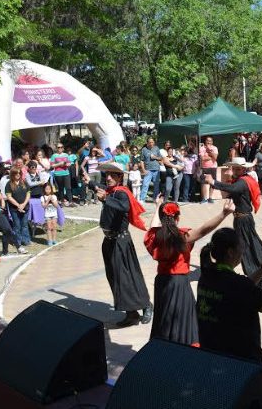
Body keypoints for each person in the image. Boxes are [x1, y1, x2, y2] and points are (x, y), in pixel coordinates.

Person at [145, 197, 234, 345]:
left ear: (161, 218)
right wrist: (223, 214)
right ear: (178, 217)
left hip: (162, 282)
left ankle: (162, 348)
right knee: (182, 319)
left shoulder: (154, 237)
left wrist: (158, 207)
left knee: (164, 318)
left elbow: (153, 226)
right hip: (179, 284)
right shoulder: (181, 237)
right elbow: (204, 229)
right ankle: (183, 349)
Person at [196, 228, 262, 365]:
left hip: (212, 356)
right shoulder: (238, 285)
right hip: (242, 363)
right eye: (241, 247)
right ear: (231, 252)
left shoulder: (206, 277)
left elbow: (241, 289)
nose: (243, 251)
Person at [96, 162, 152, 327]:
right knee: (115, 279)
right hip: (109, 242)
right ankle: (131, 313)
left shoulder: (122, 194)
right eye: (107, 175)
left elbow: (124, 207)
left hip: (121, 242)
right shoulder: (110, 192)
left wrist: (106, 199)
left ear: (120, 177)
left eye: (113, 175)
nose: (108, 178)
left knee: (129, 277)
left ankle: (146, 305)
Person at [203, 157, 262, 289]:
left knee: (246, 249)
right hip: (241, 219)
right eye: (234, 168)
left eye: (238, 168)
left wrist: (213, 182)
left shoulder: (243, 182)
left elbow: (233, 189)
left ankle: (257, 279)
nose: (235, 170)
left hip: (244, 220)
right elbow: (232, 192)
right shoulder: (241, 180)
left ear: (244, 169)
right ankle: (259, 276)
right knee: (249, 247)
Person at [4, 168, 31, 248]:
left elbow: (28, 194)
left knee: (25, 224)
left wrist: (23, 204)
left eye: (19, 173)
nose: (18, 174)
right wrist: (18, 205)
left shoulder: (24, 182)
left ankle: (26, 240)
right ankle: (18, 242)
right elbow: (9, 197)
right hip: (14, 209)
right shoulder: (9, 184)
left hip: (25, 207)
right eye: (16, 173)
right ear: (12, 174)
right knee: (17, 225)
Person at [139, 137, 162, 202]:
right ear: (147, 143)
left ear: (154, 142)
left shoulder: (156, 148)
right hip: (148, 170)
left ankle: (155, 199)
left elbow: (160, 158)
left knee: (156, 185)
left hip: (156, 169)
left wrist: (155, 157)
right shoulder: (144, 149)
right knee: (145, 184)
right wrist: (143, 170)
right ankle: (142, 199)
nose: (151, 143)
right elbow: (141, 161)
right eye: (149, 142)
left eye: (152, 142)